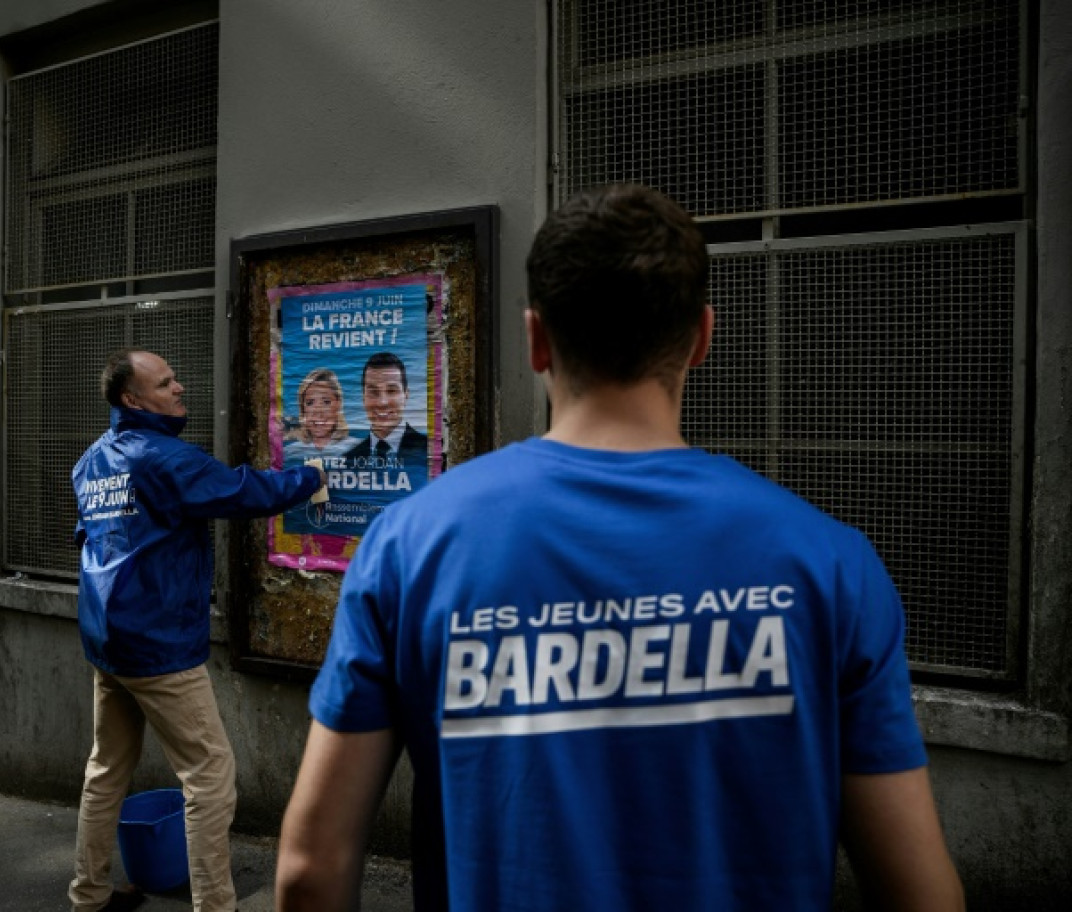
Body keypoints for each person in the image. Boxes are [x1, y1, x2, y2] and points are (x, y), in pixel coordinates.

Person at [276, 185, 964, 911]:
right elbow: (920, 895)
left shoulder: (408, 549)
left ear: (537, 338)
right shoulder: (831, 565)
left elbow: (311, 870)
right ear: (702, 338)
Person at [69, 348, 324, 912]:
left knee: (105, 770)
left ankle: (87, 899)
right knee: (210, 778)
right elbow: (240, 491)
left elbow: (87, 537)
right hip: (158, 647)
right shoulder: (162, 458)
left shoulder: (92, 459)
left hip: (108, 641)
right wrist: (310, 477)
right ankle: (216, 906)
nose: (180, 387)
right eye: (165, 382)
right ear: (133, 400)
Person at [342, 352, 427, 466]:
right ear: (363, 397)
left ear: (406, 395)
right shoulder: (349, 459)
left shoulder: (428, 451)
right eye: (373, 392)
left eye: (391, 391)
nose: (382, 402)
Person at [281, 368, 354, 463]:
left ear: (338, 404)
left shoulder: (359, 449)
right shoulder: (289, 454)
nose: (318, 411)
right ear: (303, 409)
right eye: (310, 403)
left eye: (326, 402)